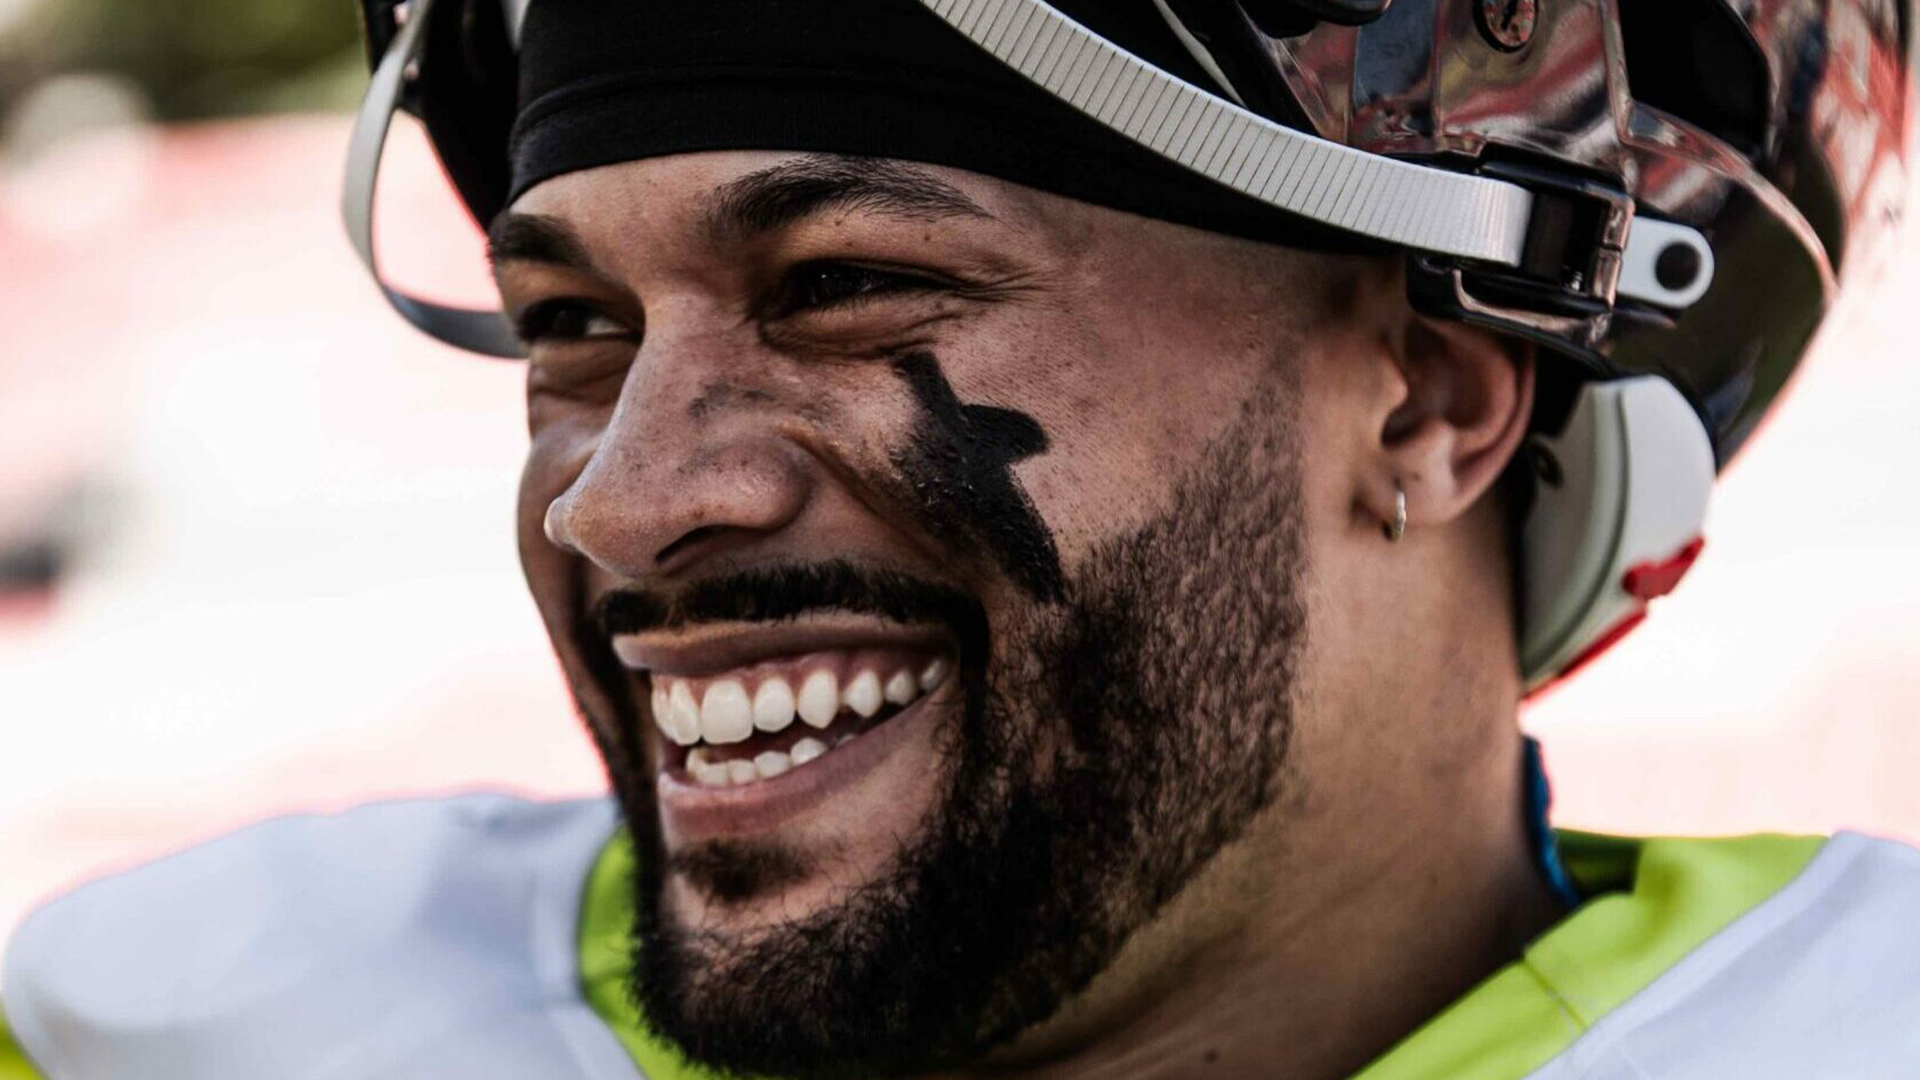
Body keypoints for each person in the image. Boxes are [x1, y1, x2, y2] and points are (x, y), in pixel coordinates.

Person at [4, 0, 1917, 1077]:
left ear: (1425, 398)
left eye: (844, 283)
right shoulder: (184, 1021)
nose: (626, 500)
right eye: (575, 326)